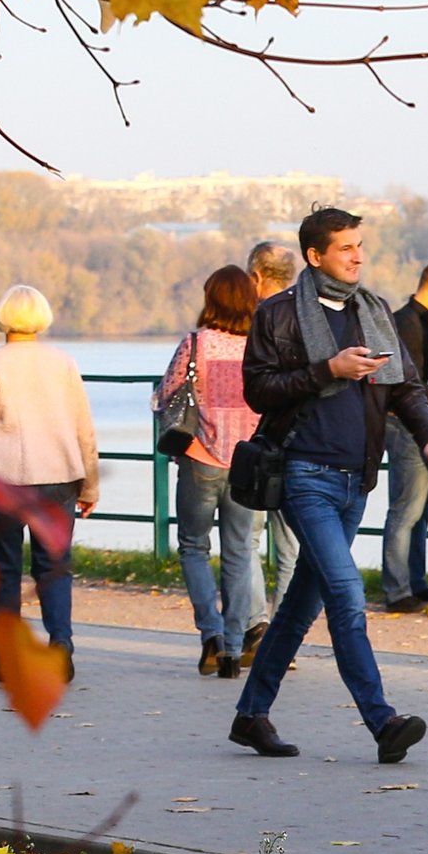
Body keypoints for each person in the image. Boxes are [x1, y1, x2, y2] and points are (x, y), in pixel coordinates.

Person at [229, 207, 428, 763]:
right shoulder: (278, 315)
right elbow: (258, 390)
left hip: (356, 481)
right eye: (346, 248)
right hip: (304, 473)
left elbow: (405, 388)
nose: (358, 257)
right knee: (347, 594)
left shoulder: (375, 314)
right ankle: (383, 721)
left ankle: (251, 716)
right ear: (315, 256)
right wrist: (328, 370)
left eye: (360, 245)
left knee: (301, 606)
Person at [0, 284, 100, 675]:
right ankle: (61, 644)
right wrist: (91, 485)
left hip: (4, 482)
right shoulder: (63, 362)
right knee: (54, 566)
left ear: (3, 318)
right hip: (58, 476)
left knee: (2, 568)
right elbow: (84, 428)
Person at [156, 265, 262, 678]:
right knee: (238, 551)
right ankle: (236, 648)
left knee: (193, 546)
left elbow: (167, 393)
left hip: (201, 457)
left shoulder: (196, 343)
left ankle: (211, 636)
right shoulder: (260, 346)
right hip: (248, 461)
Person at [378, 258, 428, 611]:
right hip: (404, 423)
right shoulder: (405, 324)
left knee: (423, 507)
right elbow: (404, 382)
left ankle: (416, 582)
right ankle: (397, 590)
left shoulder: (427, 322)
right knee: (406, 507)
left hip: (425, 422)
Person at [247, 241, 302, 613]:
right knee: (291, 546)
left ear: (256, 276)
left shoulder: (254, 319)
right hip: (299, 440)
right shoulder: (309, 318)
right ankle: (285, 630)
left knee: (246, 541)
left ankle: (255, 622)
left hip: (254, 444)